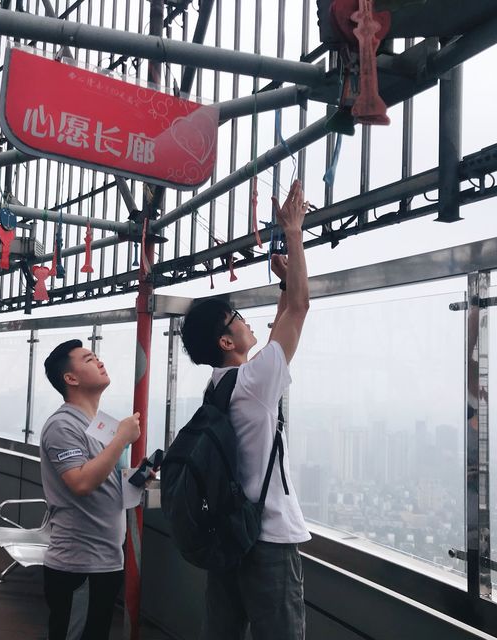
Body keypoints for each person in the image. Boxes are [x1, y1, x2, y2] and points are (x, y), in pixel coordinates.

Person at [179, 179, 311, 640]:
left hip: (231, 533)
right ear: (225, 341)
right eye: (238, 318)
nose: (247, 320)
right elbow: (299, 309)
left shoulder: (221, 388)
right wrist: (294, 231)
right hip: (269, 538)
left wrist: (282, 280)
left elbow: (278, 330)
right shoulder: (253, 385)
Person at [40, 339, 140, 640]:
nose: (99, 361)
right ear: (70, 378)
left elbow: (106, 478)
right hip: (78, 562)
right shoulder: (63, 425)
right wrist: (121, 439)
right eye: (88, 359)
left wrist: (138, 478)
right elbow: (81, 482)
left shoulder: (99, 425)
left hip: (105, 559)